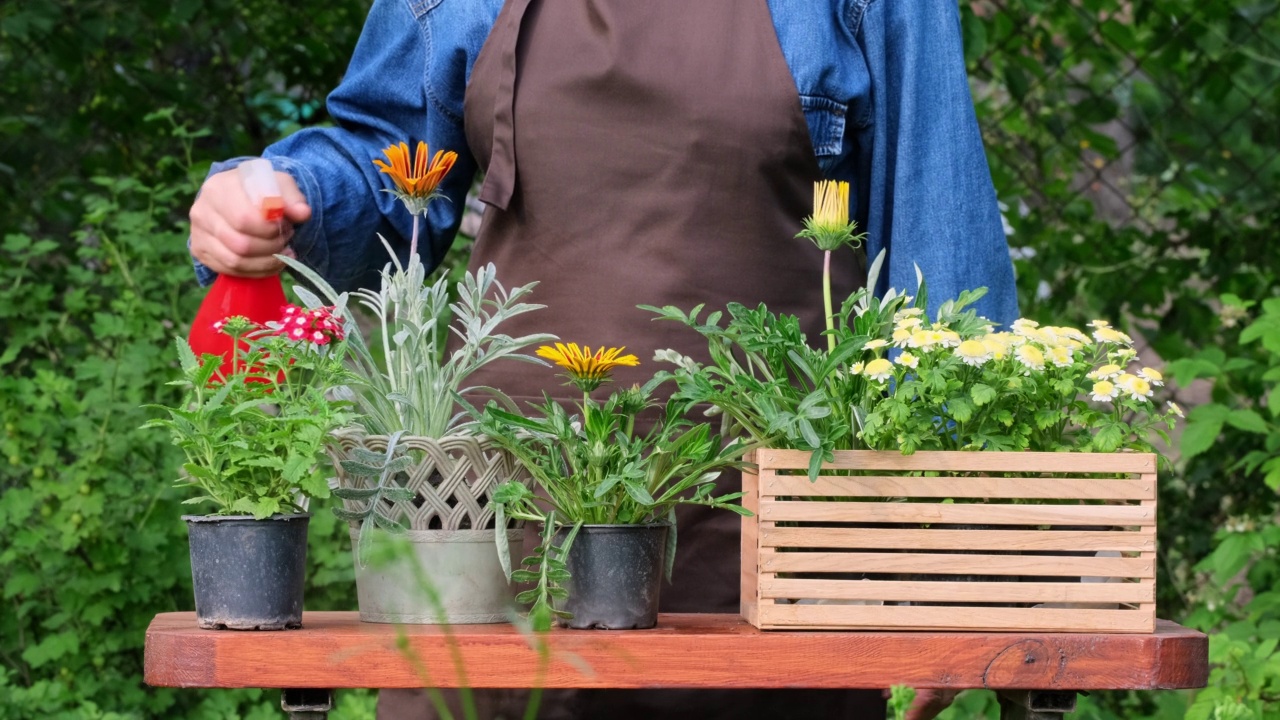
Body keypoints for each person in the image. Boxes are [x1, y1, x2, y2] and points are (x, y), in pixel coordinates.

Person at [189, 0, 1018, 717]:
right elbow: (393, 163)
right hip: (497, 533)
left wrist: (946, 569)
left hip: (771, 560)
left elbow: (937, 262)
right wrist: (273, 194)